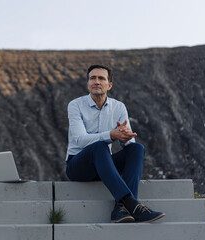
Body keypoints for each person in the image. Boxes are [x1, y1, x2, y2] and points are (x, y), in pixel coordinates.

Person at [65, 64, 165, 223]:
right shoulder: (75, 105)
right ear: (88, 83)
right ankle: (132, 204)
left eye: (101, 78)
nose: (96, 82)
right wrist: (111, 135)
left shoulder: (119, 107)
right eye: (92, 78)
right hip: (78, 166)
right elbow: (80, 140)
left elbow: (128, 142)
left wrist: (125, 138)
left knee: (136, 148)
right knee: (99, 145)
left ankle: (120, 209)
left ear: (109, 85)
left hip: (105, 166)